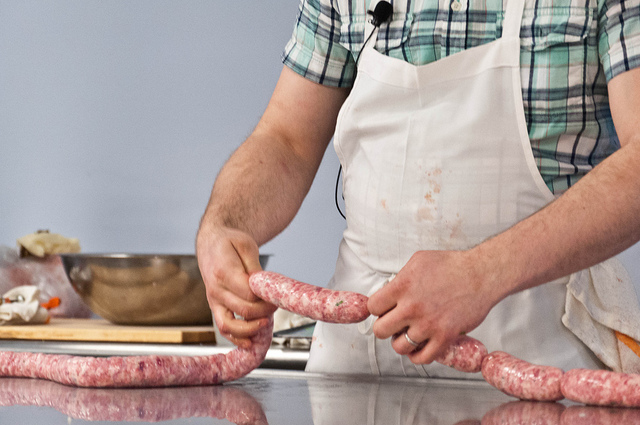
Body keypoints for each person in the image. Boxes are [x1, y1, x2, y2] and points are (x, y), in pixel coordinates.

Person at [197, 0, 640, 378]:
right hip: (358, 369)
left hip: (542, 362)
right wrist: (225, 224)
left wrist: (482, 273)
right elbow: (286, 140)